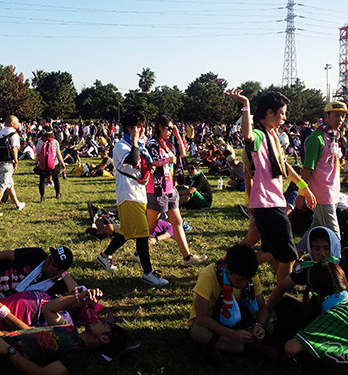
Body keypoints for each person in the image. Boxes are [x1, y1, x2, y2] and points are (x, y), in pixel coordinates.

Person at [226, 89, 315, 281]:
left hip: (273, 202)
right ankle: (279, 295)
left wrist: (302, 186)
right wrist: (245, 104)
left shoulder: (274, 136)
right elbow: (247, 135)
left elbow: (284, 166)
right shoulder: (259, 134)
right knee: (289, 256)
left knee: (269, 252)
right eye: (282, 113)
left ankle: (230, 272)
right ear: (270, 112)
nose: (284, 117)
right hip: (267, 205)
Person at [96, 111, 169, 286]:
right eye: (139, 127)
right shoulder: (121, 146)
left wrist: (148, 169)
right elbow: (133, 158)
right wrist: (135, 140)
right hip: (128, 194)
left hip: (138, 193)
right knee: (143, 233)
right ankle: (148, 272)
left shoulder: (140, 144)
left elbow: (140, 164)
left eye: (144, 127)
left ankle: (104, 256)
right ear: (129, 128)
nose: (142, 130)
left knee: (126, 232)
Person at [264, 227, 348, 339]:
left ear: (334, 247)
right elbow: (281, 287)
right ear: (310, 249)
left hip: (340, 321)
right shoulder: (310, 267)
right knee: (283, 302)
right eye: (316, 249)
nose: (322, 254)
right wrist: (263, 319)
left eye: (326, 248)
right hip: (316, 315)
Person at [188, 244, 272, 356]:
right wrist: (232, 334)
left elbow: (262, 308)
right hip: (213, 322)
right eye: (240, 279)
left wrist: (259, 325)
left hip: (240, 320)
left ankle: (223, 347)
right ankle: (249, 350)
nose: (243, 284)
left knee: (268, 326)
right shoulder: (208, 276)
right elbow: (201, 318)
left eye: (247, 280)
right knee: (198, 332)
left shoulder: (251, 278)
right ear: (227, 269)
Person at [145, 115, 206, 267]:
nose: (171, 131)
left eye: (173, 129)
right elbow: (150, 162)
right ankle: (139, 252)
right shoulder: (151, 144)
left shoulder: (167, 144)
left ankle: (187, 257)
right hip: (156, 189)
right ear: (160, 127)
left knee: (177, 221)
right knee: (151, 224)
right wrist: (167, 160)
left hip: (170, 188)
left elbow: (183, 154)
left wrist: (178, 135)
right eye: (169, 128)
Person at [299, 101, 348, 245]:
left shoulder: (333, 135)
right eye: (337, 115)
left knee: (316, 228)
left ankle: (297, 254)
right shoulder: (316, 138)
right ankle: (336, 264)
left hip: (331, 191)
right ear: (326, 116)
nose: (340, 120)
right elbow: (307, 170)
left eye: (343, 116)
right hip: (321, 193)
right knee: (334, 235)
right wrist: (302, 195)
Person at [0, 115, 25, 217]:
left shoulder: (0, 133)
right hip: (7, 163)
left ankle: (17, 204)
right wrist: (16, 162)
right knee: (2, 186)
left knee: (9, 184)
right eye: (17, 122)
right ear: (12, 123)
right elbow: (14, 149)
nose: (19, 124)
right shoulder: (14, 134)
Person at [35, 129, 66, 201]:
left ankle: (42, 196)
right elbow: (58, 154)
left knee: (42, 181)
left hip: (42, 164)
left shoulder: (40, 142)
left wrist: (36, 163)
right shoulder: (55, 142)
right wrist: (62, 163)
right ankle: (58, 193)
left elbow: (38, 155)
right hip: (54, 164)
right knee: (55, 179)